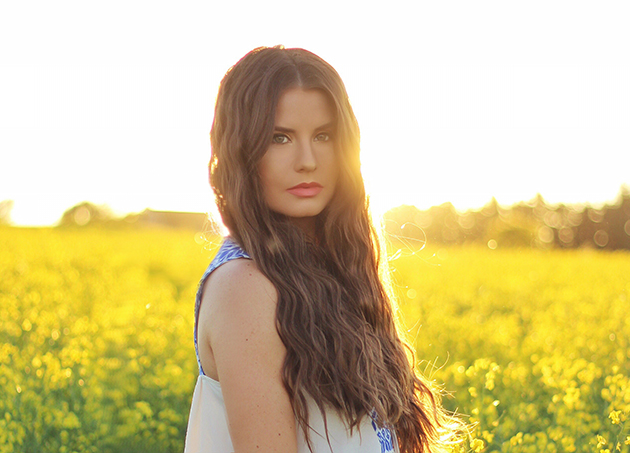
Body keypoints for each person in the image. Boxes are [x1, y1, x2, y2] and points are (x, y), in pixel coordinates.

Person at [184, 45, 457, 453]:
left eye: (323, 136)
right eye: (280, 138)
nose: (307, 160)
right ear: (242, 150)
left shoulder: (337, 273)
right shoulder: (246, 288)